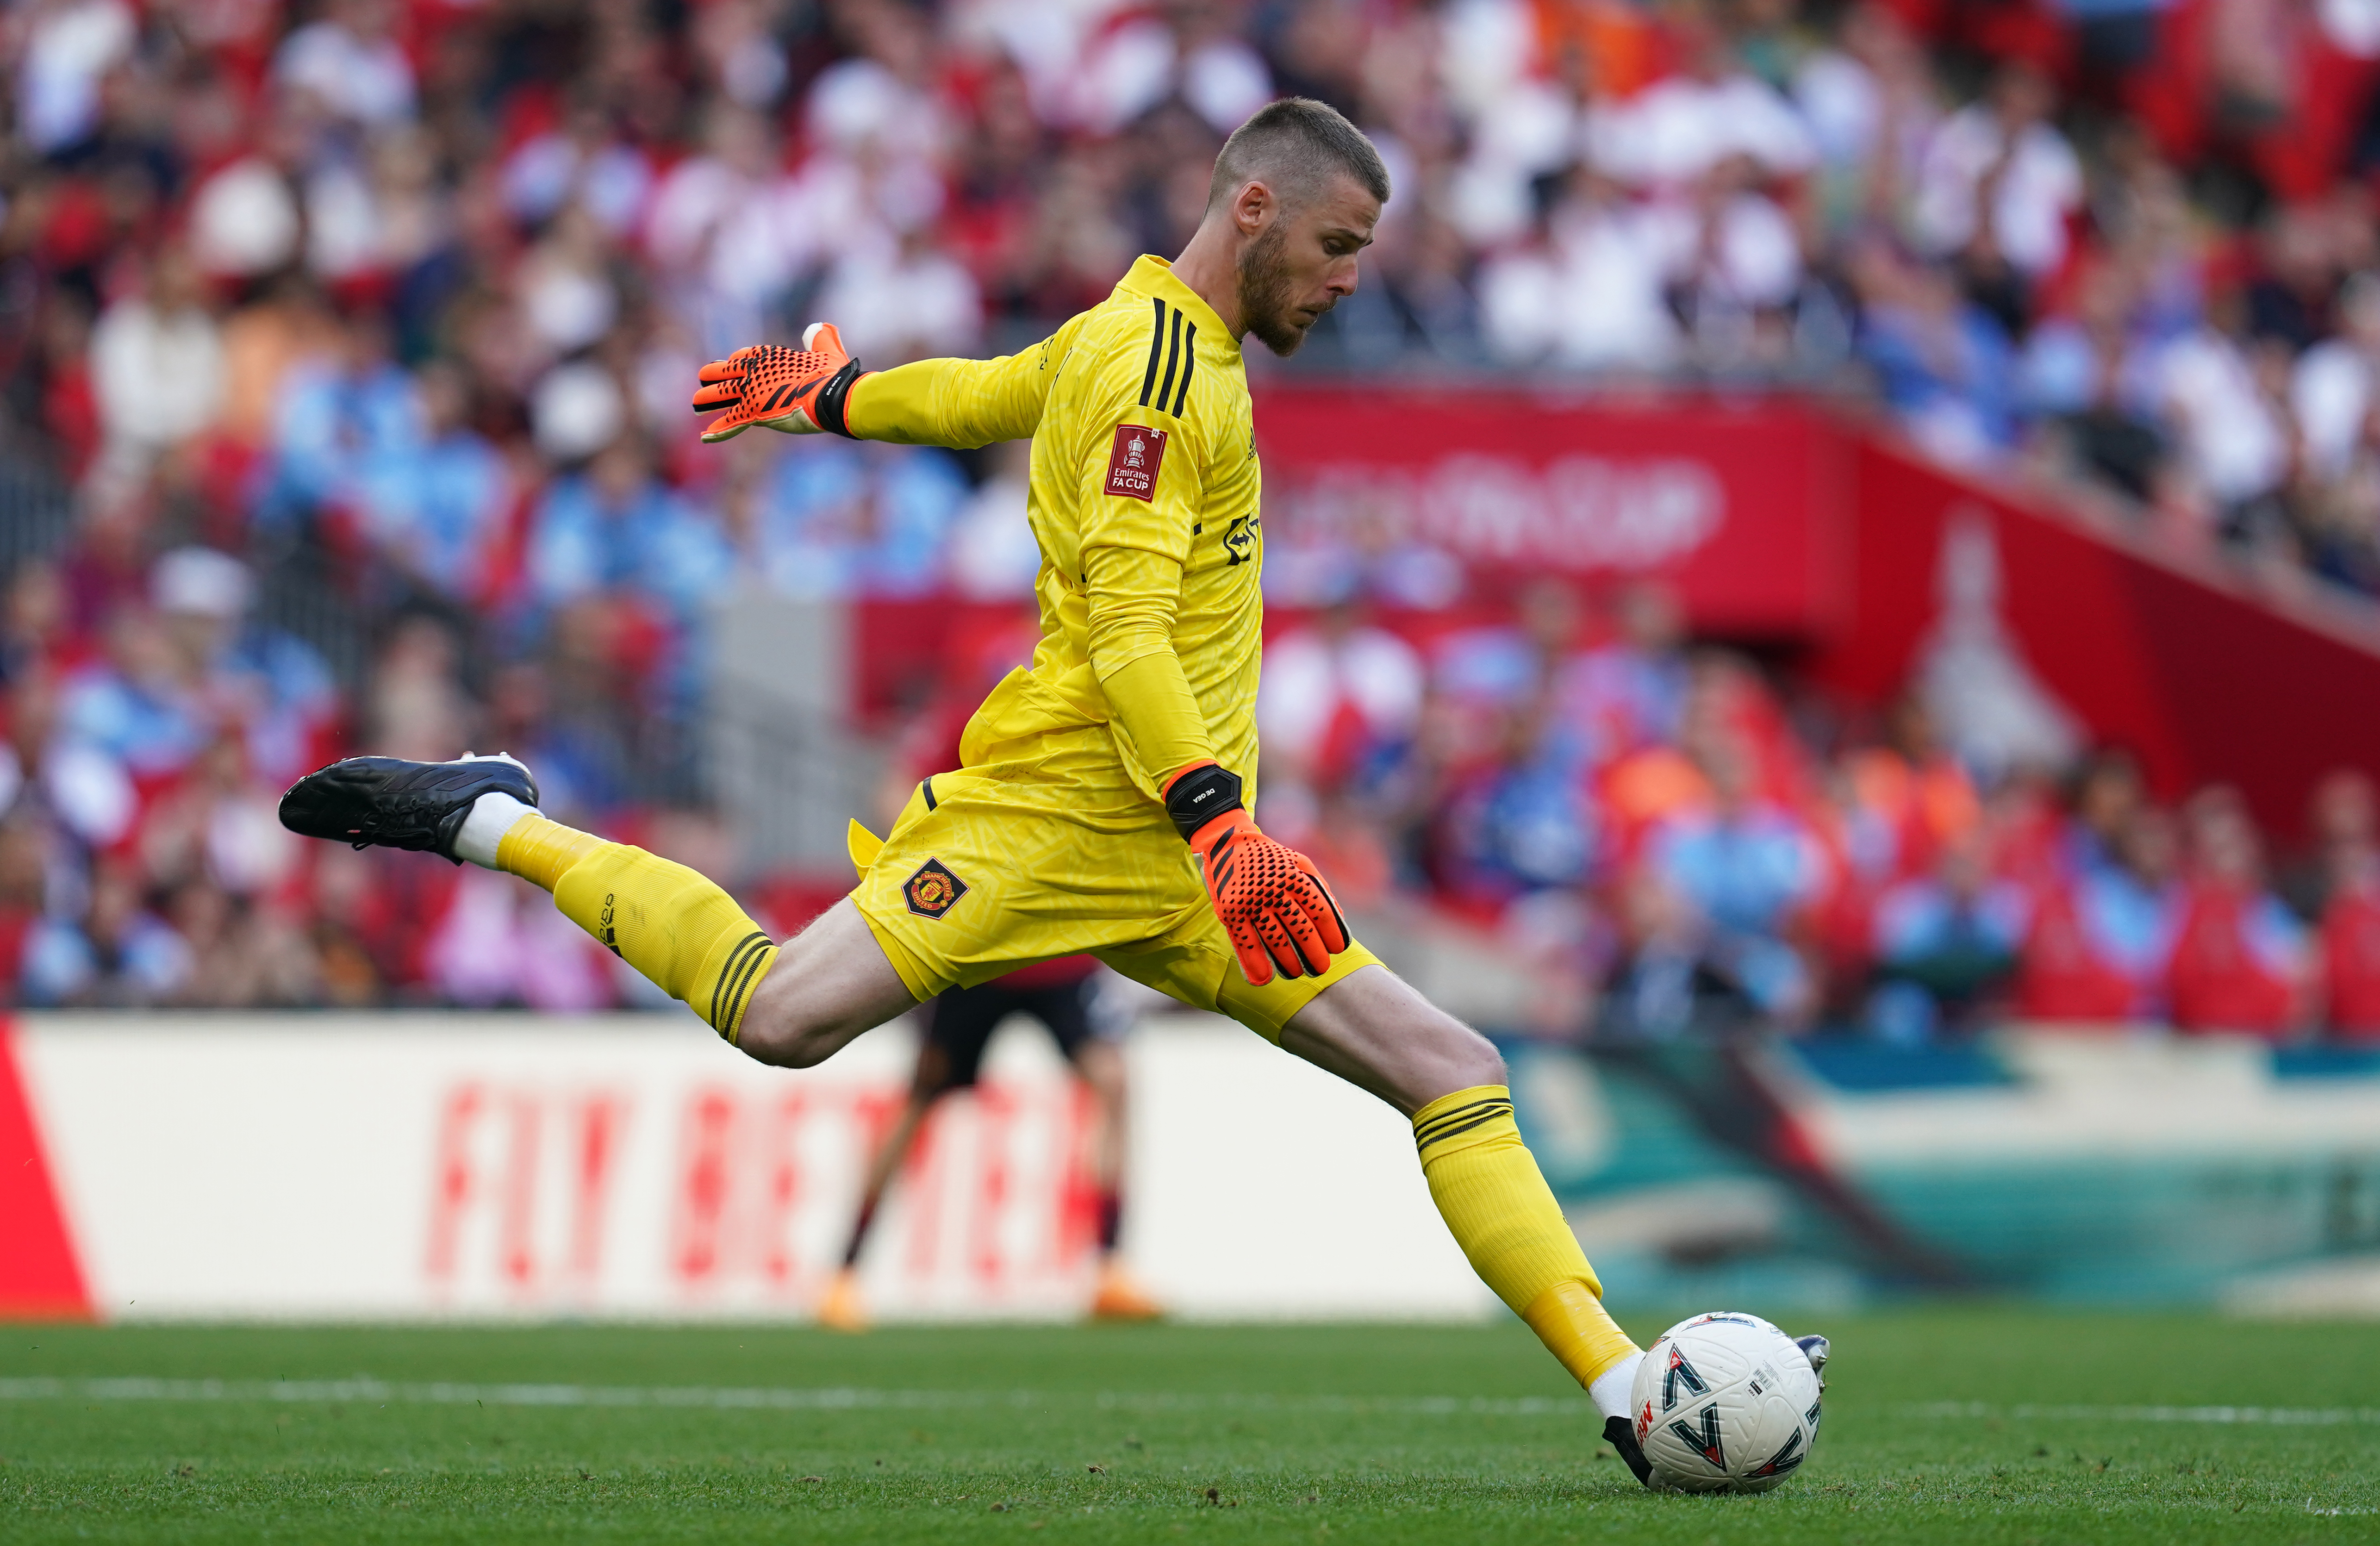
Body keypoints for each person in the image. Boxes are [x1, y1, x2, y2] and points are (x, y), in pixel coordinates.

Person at [278, 98, 1823, 1483]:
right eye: (1340, 244)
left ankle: (1626, 1387)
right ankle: (500, 817)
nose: (1353, 278)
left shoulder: (1133, 338)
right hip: (1071, 823)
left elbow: (973, 396)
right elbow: (1134, 634)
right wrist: (1224, 822)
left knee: (1448, 1062)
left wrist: (825, 401)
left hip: (1171, 854)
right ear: (1254, 212)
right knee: (777, 1014)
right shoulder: (1161, 376)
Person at [814, 953, 1159, 1332]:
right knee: (920, 1097)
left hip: (1061, 956)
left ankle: (1110, 1269)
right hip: (982, 957)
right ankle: (844, 1273)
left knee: (1113, 1082)